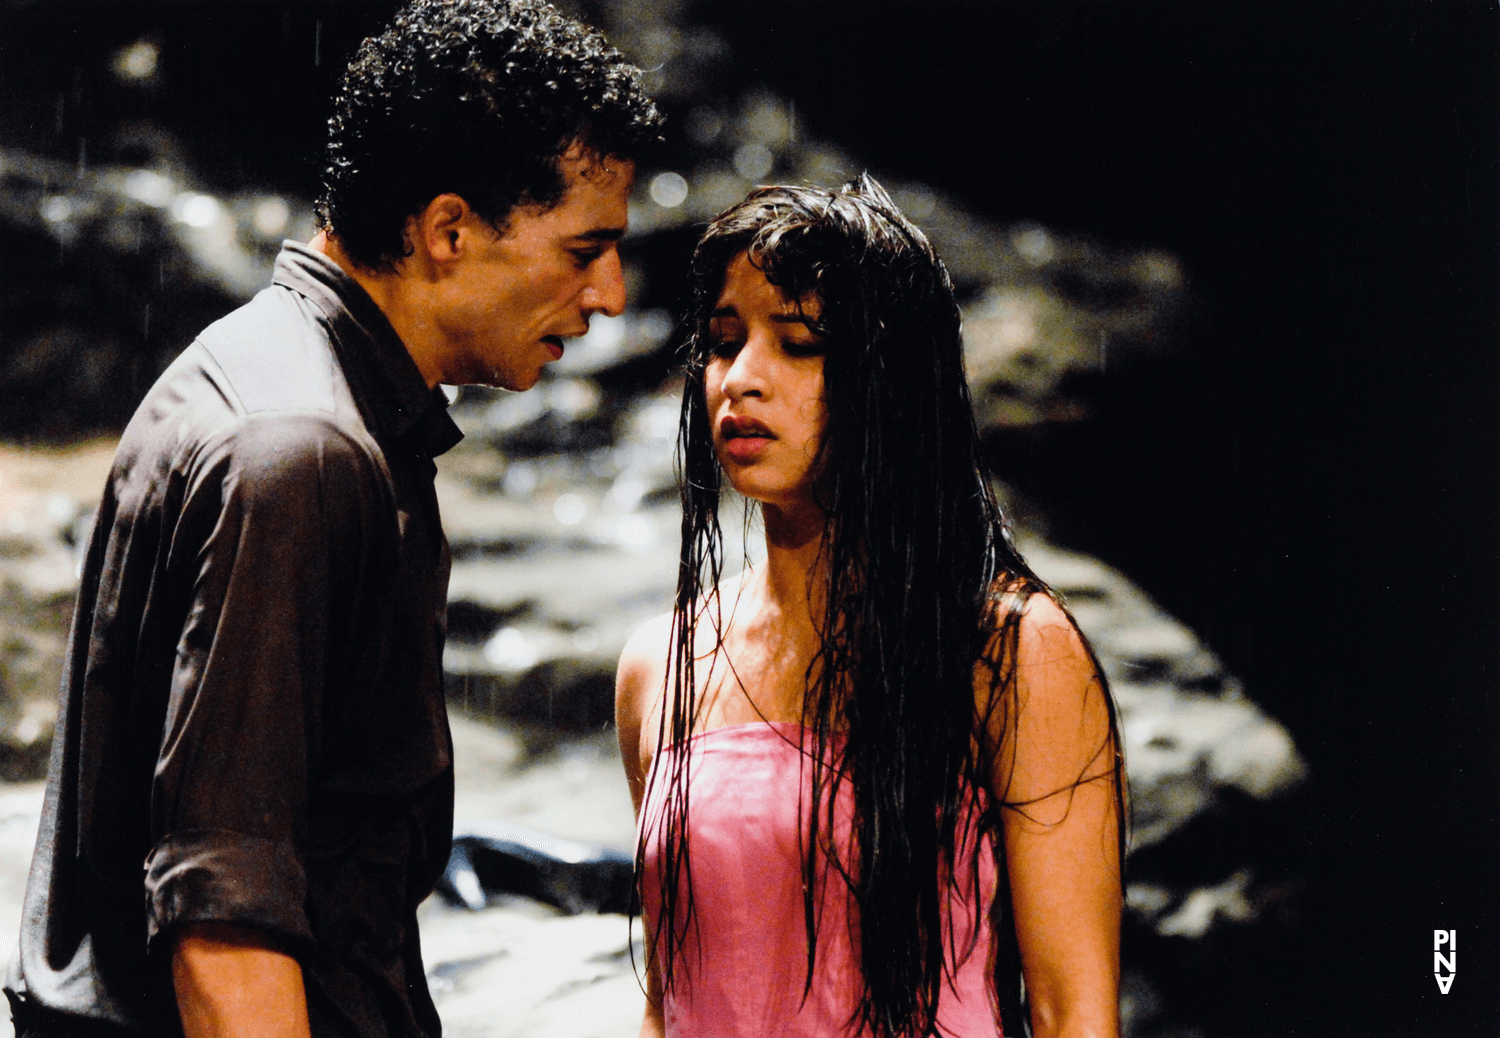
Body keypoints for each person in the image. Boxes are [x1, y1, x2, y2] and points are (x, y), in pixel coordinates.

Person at [6, 3, 661, 1037]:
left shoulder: (262, 371)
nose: (612, 295)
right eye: (586, 249)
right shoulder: (303, 452)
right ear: (449, 231)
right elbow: (225, 913)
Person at [615, 176, 1124, 1038]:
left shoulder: (1008, 648)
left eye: (801, 342)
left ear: (892, 377)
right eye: (722, 341)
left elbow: (1075, 1010)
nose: (741, 380)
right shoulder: (662, 661)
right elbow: (669, 1001)